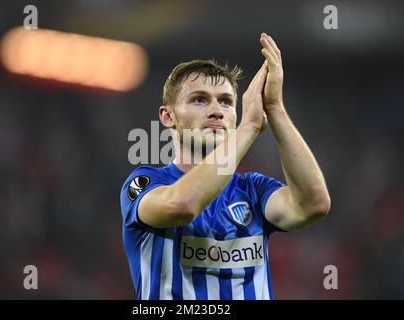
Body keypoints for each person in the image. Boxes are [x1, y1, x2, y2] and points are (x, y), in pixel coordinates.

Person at [120, 33, 331, 300]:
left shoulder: (253, 189)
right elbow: (182, 206)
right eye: (199, 99)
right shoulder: (145, 183)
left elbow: (313, 205)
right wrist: (249, 127)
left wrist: (275, 108)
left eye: (226, 101)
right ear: (168, 116)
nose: (217, 110)